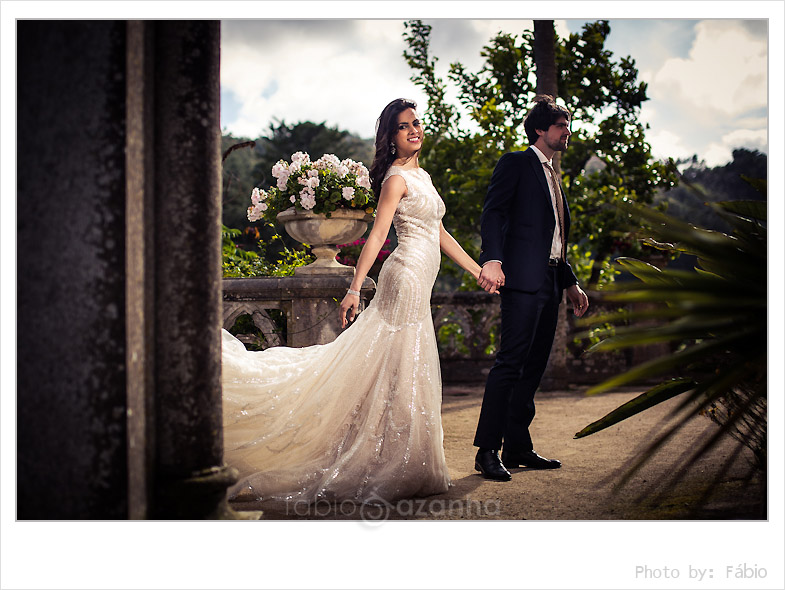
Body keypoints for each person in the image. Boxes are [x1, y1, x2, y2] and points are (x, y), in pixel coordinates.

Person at [221, 98, 490, 506]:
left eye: (416, 123)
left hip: (422, 277)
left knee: (403, 363)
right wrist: (353, 287)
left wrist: (477, 270)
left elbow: (440, 232)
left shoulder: (425, 177)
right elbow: (379, 236)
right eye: (404, 126)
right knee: (397, 361)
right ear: (391, 137)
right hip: (404, 276)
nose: (414, 130)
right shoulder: (395, 179)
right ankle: (390, 458)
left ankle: (404, 457)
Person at [472, 95, 590, 481]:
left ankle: (518, 446)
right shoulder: (517, 164)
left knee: (533, 368)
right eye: (560, 125)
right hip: (521, 282)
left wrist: (569, 282)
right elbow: (494, 213)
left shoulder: (555, 174)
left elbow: (551, 239)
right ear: (540, 129)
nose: (567, 132)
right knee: (510, 364)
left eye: (568, 125)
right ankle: (486, 451)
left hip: (551, 283)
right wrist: (492, 259)